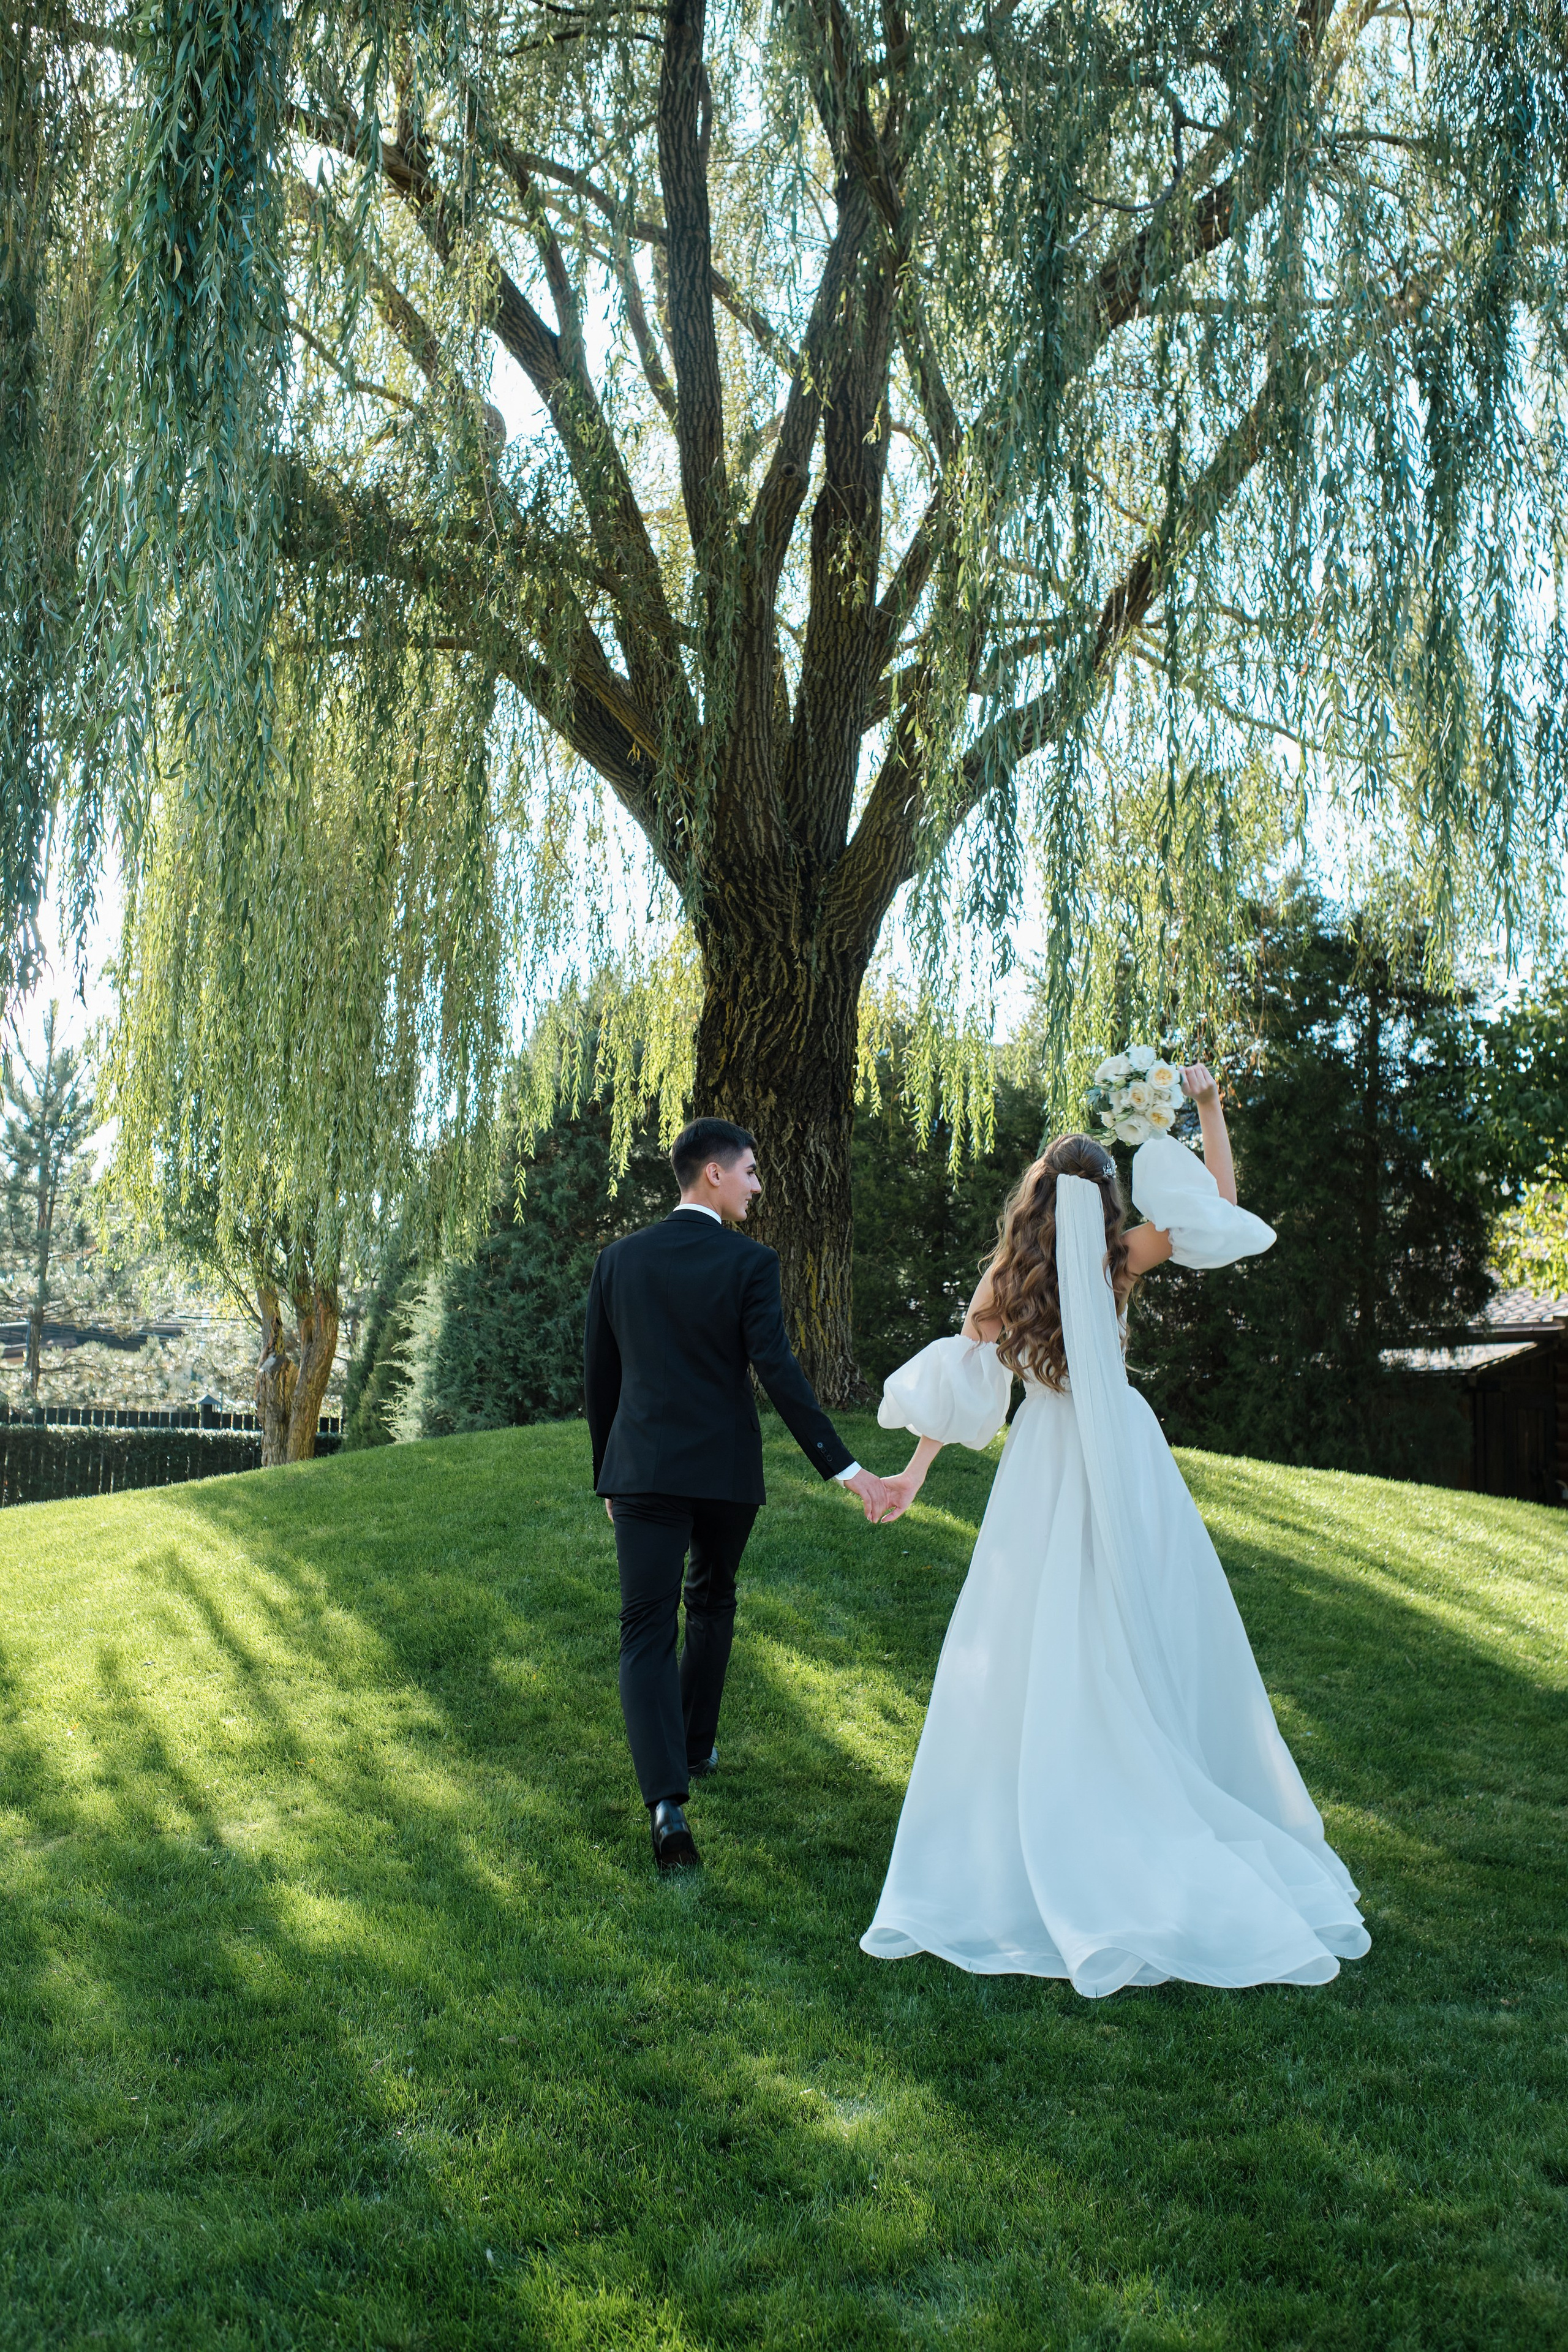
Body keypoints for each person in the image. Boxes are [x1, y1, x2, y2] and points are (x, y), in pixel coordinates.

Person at [862, 1066, 1371, 1996]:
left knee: (1038, 1627)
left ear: (1032, 1199)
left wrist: (912, 1473)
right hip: (1122, 1457)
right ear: (1105, 1200)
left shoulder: (1004, 1283)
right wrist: (1208, 1109)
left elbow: (962, 1389)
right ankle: (1134, 1774)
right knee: (1131, 1620)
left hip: (1045, 1461)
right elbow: (1219, 1207)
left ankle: (1059, 1792)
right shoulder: (1120, 1256)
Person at [585, 1117, 892, 1872]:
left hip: (645, 1472)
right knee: (713, 1599)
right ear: (713, 1175)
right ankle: (694, 1747)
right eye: (751, 1171)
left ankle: (667, 1803)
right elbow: (779, 1373)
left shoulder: (618, 1260)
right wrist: (846, 1471)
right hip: (723, 1474)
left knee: (645, 1627)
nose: (758, 1186)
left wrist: (608, 1475)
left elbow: (601, 1381)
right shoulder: (751, 1263)